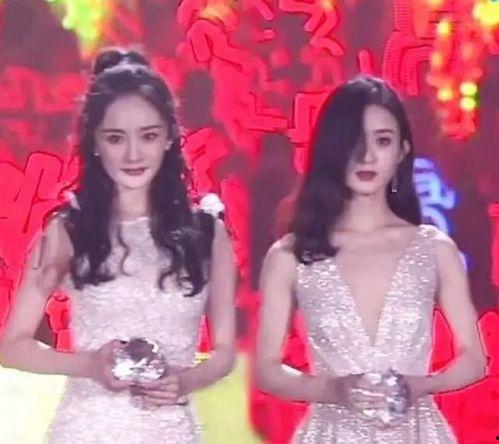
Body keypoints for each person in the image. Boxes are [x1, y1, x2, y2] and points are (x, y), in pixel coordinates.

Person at [0, 48, 236, 443]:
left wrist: (185, 380)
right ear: (94, 142)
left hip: (170, 430)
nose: (133, 154)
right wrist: (88, 365)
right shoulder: (69, 230)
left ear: (169, 138)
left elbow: (225, 351)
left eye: (148, 136)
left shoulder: (207, 233)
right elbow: (13, 346)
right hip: (87, 429)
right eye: (115, 138)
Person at [256, 76, 486, 443]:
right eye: (354, 141)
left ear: (402, 151)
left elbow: (474, 359)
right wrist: (333, 389)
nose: (367, 156)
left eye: (382, 141)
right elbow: (267, 370)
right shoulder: (291, 255)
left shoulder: (433, 249)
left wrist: (421, 385)